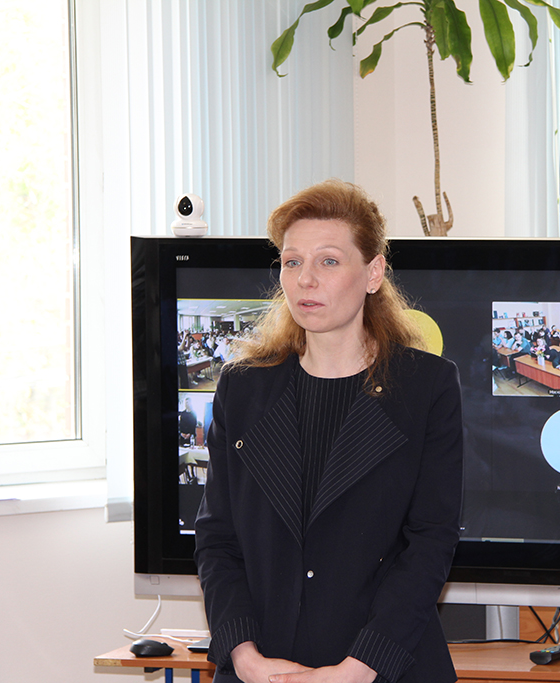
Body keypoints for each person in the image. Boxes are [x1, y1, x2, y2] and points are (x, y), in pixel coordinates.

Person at [194, 180, 463, 683]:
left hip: (383, 669)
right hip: (263, 670)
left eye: (329, 261)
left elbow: (430, 543)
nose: (305, 279)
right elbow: (217, 539)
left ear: (373, 273)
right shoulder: (242, 388)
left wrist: (360, 669)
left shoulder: (426, 387)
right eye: (292, 262)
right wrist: (244, 657)